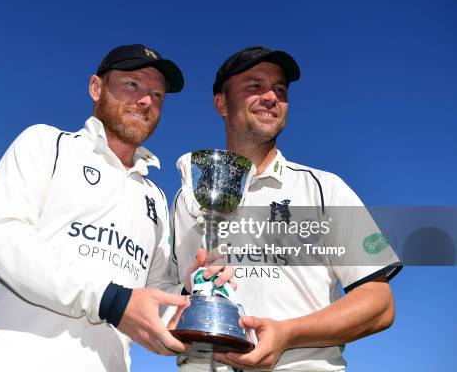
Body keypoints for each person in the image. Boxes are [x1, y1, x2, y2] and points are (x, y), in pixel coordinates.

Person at [170, 46, 402, 371]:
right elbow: (167, 295)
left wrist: (286, 334)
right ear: (221, 102)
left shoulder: (324, 188)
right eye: (254, 86)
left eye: (280, 90)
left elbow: (379, 305)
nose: (270, 97)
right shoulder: (188, 198)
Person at [0, 44, 191, 372]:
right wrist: (110, 300)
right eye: (132, 85)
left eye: (157, 95)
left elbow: (153, 297)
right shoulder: (46, 144)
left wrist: (191, 292)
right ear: (96, 88)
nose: (146, 101)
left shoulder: (154, 196)